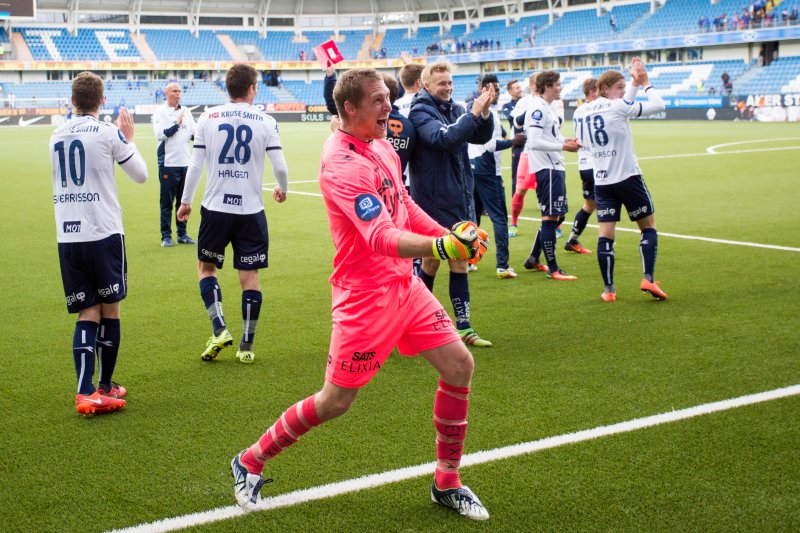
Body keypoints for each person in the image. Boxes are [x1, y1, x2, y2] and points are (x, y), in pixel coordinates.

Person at [229, 67, 491, 521]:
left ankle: (446, 480)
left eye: (388, 97)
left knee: (459, 364)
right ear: (349, 108)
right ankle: (250, 460)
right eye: (377, 100)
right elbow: (380, 236)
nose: (389, 107)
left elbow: (402, 206)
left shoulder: (381, 144)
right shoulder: (341, 163)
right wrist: (440, 246)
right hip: (364, 298)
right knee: (335, 402)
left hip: (404, 287)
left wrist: (450, 233)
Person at [50, 72, 148, 415]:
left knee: (86, 310)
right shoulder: (108, 134)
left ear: (72, 100)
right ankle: (103, 385)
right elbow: (140, 175)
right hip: (103, 232)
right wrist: (129, 139)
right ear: (101, 100)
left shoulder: (56, 134)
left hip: (68, 235)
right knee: (110, 308)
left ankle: (86, 389)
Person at [177, 64, 289, 364]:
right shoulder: (266, 120)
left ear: (227, 88)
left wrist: (186, 201)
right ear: (252, 88)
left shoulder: (208, 117)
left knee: (206, 268)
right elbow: (280, 165)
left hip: (215, 208)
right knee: (249, 277)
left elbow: (195, 165)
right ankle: (247, 346)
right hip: (251, 209)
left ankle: (219, 328)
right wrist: (282, 188)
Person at [409, 61, 495, 347]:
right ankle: (429, 324)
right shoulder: (420, 111)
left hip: (459, 196)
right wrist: (471, 114)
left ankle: (460, 327)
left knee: (452, 260)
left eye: (449, 82)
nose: (447, 87)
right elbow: (443, 139)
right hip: (433, 201)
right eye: (441, 83)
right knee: (439, 260)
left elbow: (480, 136)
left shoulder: (456, 108)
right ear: (425, 85)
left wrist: (484, 112)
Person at [581, 58, 667, 302]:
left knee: (605, 235)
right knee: (648, 227)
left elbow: (584, 142)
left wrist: (632, 82)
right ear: (605, 89)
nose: (622, 92)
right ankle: (648, 279)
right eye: (618, 87)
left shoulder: (584, 111)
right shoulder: (618, 107)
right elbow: (659, 105)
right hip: (628, 177)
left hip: (602, 181)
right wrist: (645, 83)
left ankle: (609, 290)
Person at [520, 70, 581, 280]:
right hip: (548, 168)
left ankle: (533, 258)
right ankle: (553, 269)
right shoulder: (537, 108)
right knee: (551, 217)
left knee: (557, 215)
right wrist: (563, 146)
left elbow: (550, 136)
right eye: (557, 84)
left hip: (554, 167)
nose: (560, 87)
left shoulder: (547, 107)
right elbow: (534, 142)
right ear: (547, 86)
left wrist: (566, 140)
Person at [468, 75, 523, 279]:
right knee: (499, 217)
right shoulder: (489, 112)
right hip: (488, 169)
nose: (497, 92)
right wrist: (513, 142)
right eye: (493, 88)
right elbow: (492, 145)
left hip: (472, 167)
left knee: (472, 217)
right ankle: (502, 265)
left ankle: (467, 261)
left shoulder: (472, 108)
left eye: (499, 89)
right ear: (483, 89)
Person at [152, 82, 196, 247]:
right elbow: (160, 135)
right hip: (168, 164)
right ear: (166, 93)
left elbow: (193, 134)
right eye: (174, 91)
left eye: (179, 91)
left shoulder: (186, 112)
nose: (177, 94)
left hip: (186, 163)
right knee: (166, 203)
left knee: (183, 201)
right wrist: (177, 124)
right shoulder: (160, 112)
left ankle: (182, 234)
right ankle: (166, 236)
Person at [564, 78, 599, 256]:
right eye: (599, 90)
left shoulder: (579, 110)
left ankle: (572, 239)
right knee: (606, 204)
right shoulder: (595, 109)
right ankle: (606, 243)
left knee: (589, 205)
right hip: (596, 164)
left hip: (584, 164)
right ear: (592, 92)